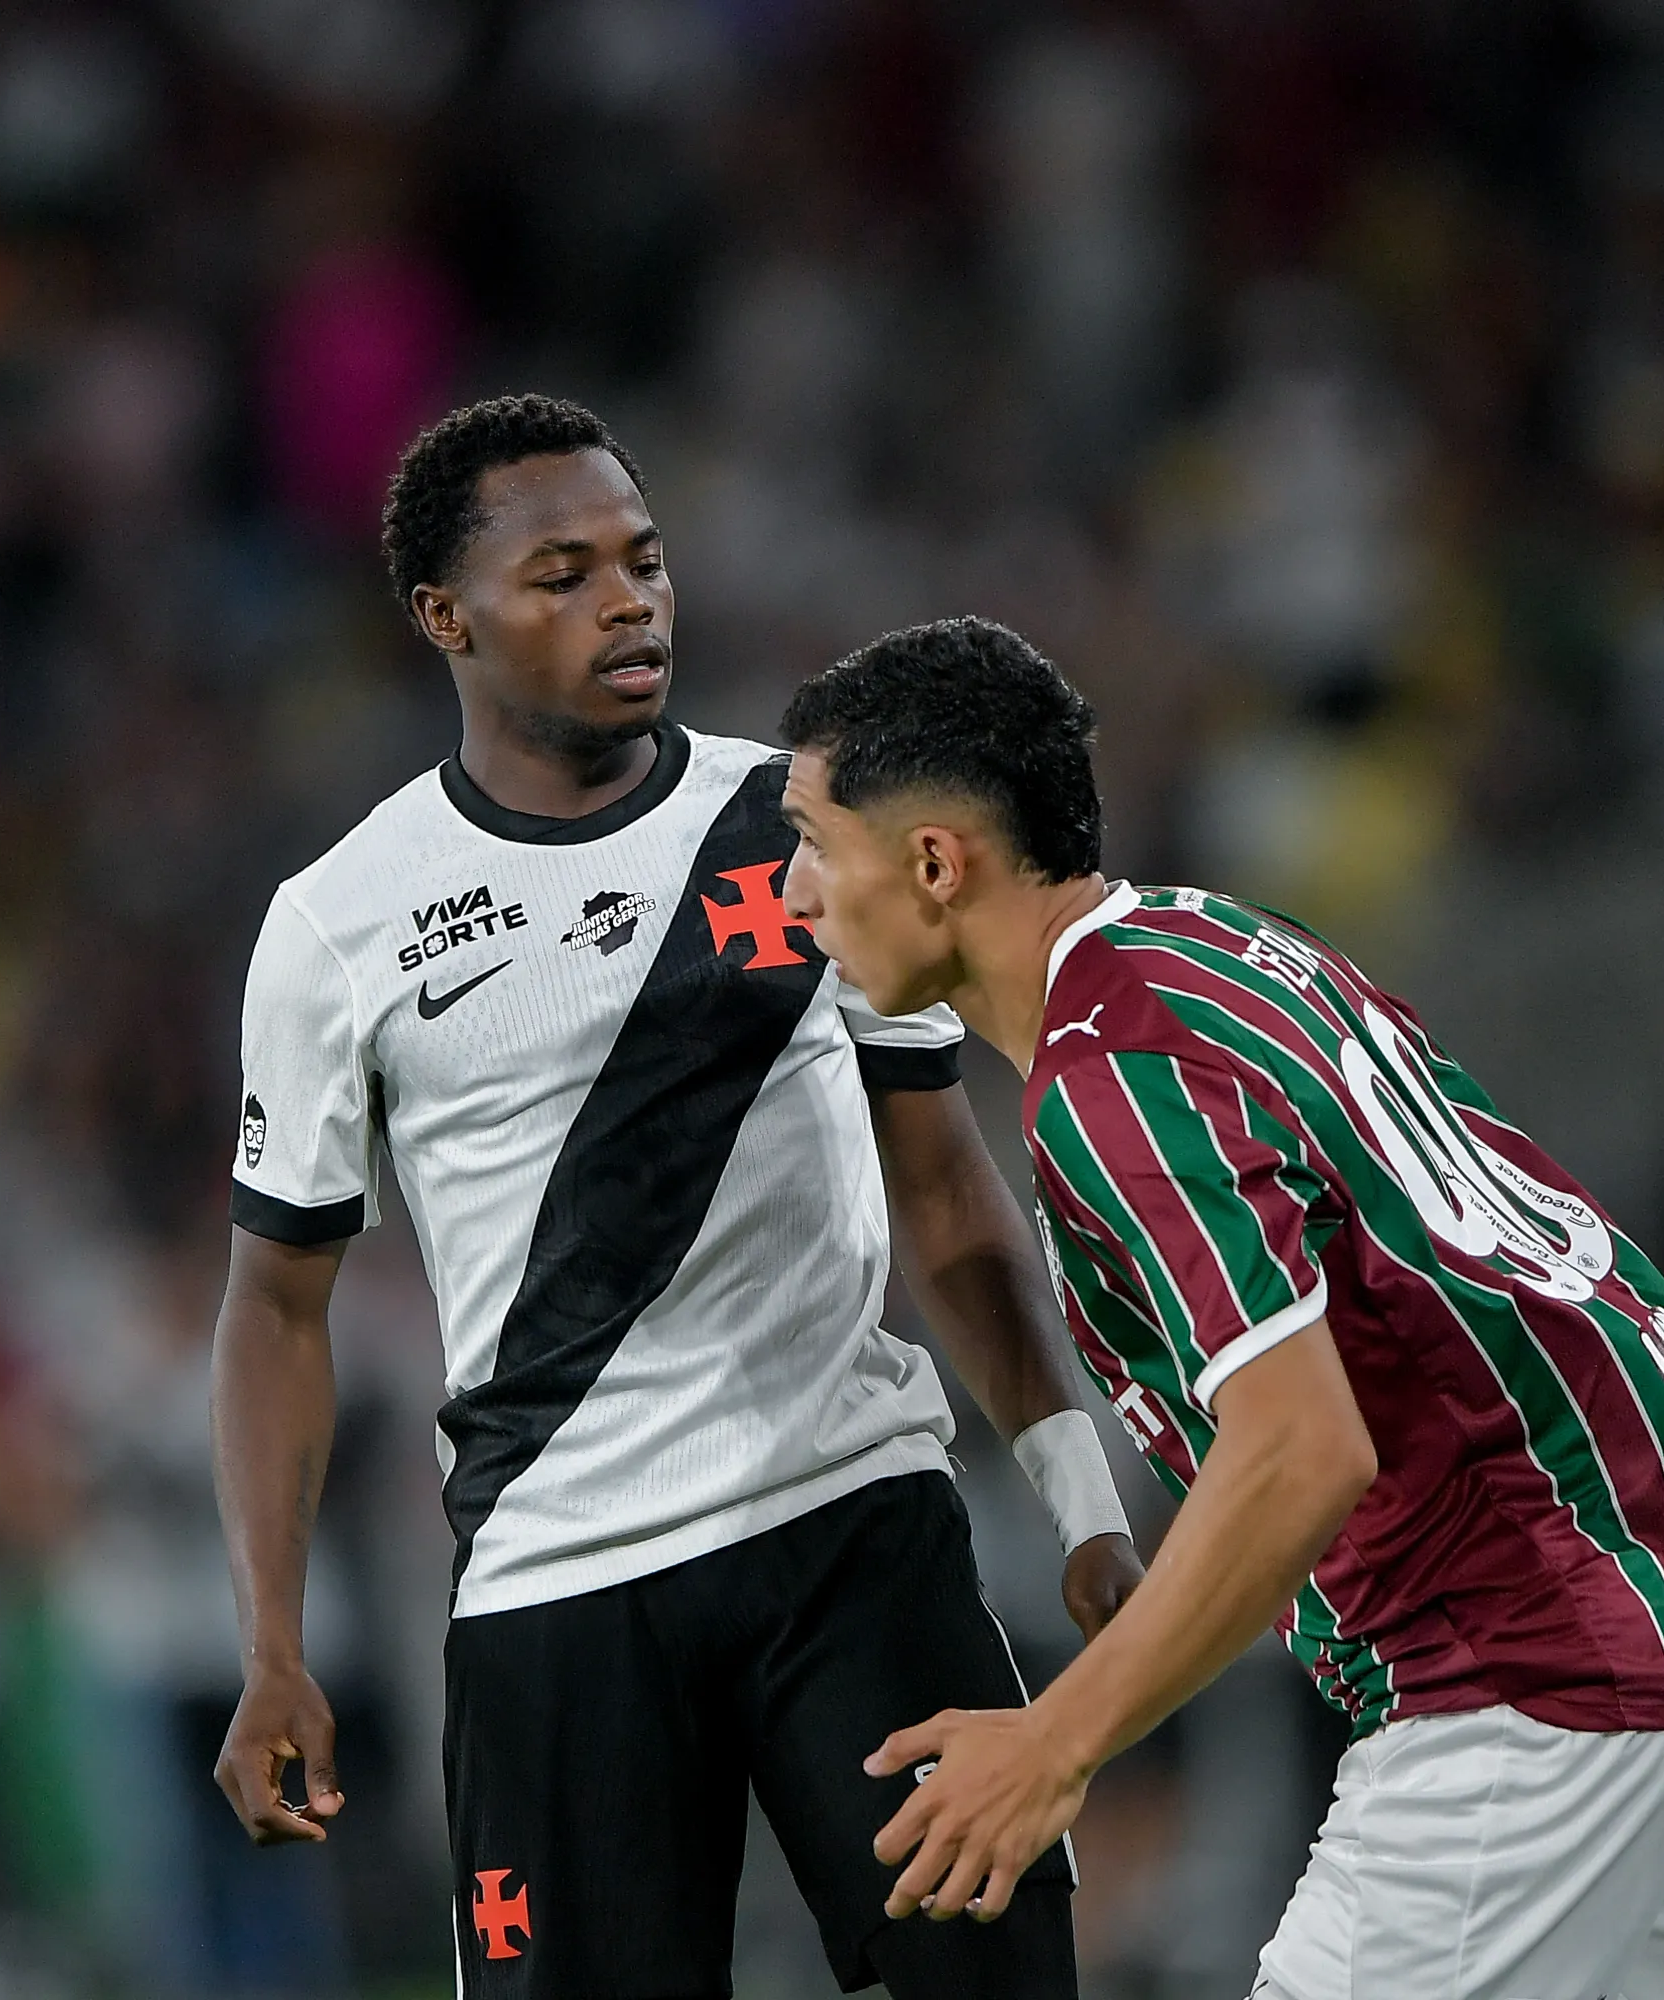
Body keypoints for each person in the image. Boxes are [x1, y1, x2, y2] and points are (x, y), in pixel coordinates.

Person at [773, 615, 1664, 2000]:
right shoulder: (1210, 942)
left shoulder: (1116, 1076)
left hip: (1524, 1672)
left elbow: (1302, 1451)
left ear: (933, 863)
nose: (793, 891)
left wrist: (1056, 1746)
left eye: (812, 842)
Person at [207, 396, 1143, 1999]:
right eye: (559, 574)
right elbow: (274, 1311)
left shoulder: (801, 822)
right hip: (559, 1598)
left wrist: (1080, 1496)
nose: (625, 600)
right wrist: (274, 1645)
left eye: (641, 560)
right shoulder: (338, 927)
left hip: (853, 1531)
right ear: (446, 617)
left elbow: (947, 1189)